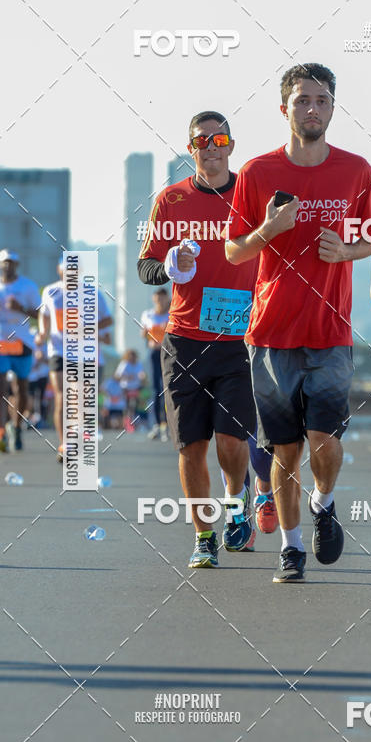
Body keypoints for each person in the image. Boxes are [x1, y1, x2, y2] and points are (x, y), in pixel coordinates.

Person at [226, 62, 371, 583]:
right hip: (270, 333)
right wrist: (270, 228)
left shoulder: (356, 170)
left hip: (330, 331)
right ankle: (291, 549)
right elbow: (233, 250)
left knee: (326, 443)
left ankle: (325, 501)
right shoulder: (256, 172)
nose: (312, 109)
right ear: (284, 108)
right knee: (285, 450)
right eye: (302, 100)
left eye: (321, 100)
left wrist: (346, 251)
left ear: (333, 107)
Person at [138, 110, 258, 569]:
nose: (210, 145)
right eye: (200, 140)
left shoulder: (252, 196)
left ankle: (235, 498)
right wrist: (167, 267)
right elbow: (145, 265)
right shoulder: (171, 200)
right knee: (191, 445)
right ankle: (204, 537)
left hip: (237, 339)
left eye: (218, 138)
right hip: (184, 339)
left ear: (230, 144)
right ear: (191, 149)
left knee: (231, 442)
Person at [38, 261, 113, 462]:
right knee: (61, 395)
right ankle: (64, 445)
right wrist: (42, 333)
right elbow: (44, 315)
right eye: (66, 271)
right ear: (59, 271)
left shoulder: (92, 293)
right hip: (58, 350)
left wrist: (87, 327)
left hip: (83, 353)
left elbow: (108, 319)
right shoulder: (51, 292)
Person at [0, 250, 40, 452]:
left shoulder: (27, 286)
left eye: (11, 263)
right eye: (4, 262)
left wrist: (21, 308)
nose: (7, 266)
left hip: (22, 342)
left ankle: (17, 426)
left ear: (16, 265)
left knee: (21, 388)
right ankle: (1, 431)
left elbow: (39, 314)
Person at [140, 288, 170, 442]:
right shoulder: (148, 314)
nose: (160, 302)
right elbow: (143, 333)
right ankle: (157, 425)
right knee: (156, 389)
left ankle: (168, 425)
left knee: (168, 387)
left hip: (168, 354)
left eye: (162, 299)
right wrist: (148, 333)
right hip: (153, 354)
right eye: (157, 299)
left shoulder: (171, 315)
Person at [115, 348, 147, 431]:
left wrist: (142, 376)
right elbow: (117, 376)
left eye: (133, 356)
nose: (132, 358)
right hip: (126, 388)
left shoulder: (139, 364)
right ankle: (126, 423)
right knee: (127, 406)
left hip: (136, 388)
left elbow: (141, 373)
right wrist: (127, 376)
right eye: (130, 356)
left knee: (134, 406)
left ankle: (133, 423)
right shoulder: (124, 364)